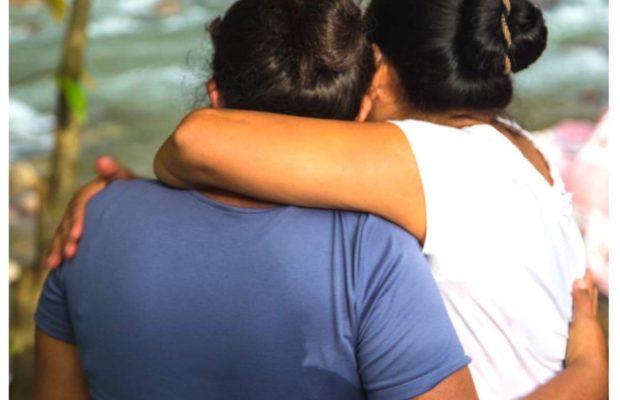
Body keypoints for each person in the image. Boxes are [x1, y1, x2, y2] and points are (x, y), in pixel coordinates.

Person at [45, 0, 609, 398]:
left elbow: (197, 141)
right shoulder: (517, 146)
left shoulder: (417, 159)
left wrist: (120, 199)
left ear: (378, 69)